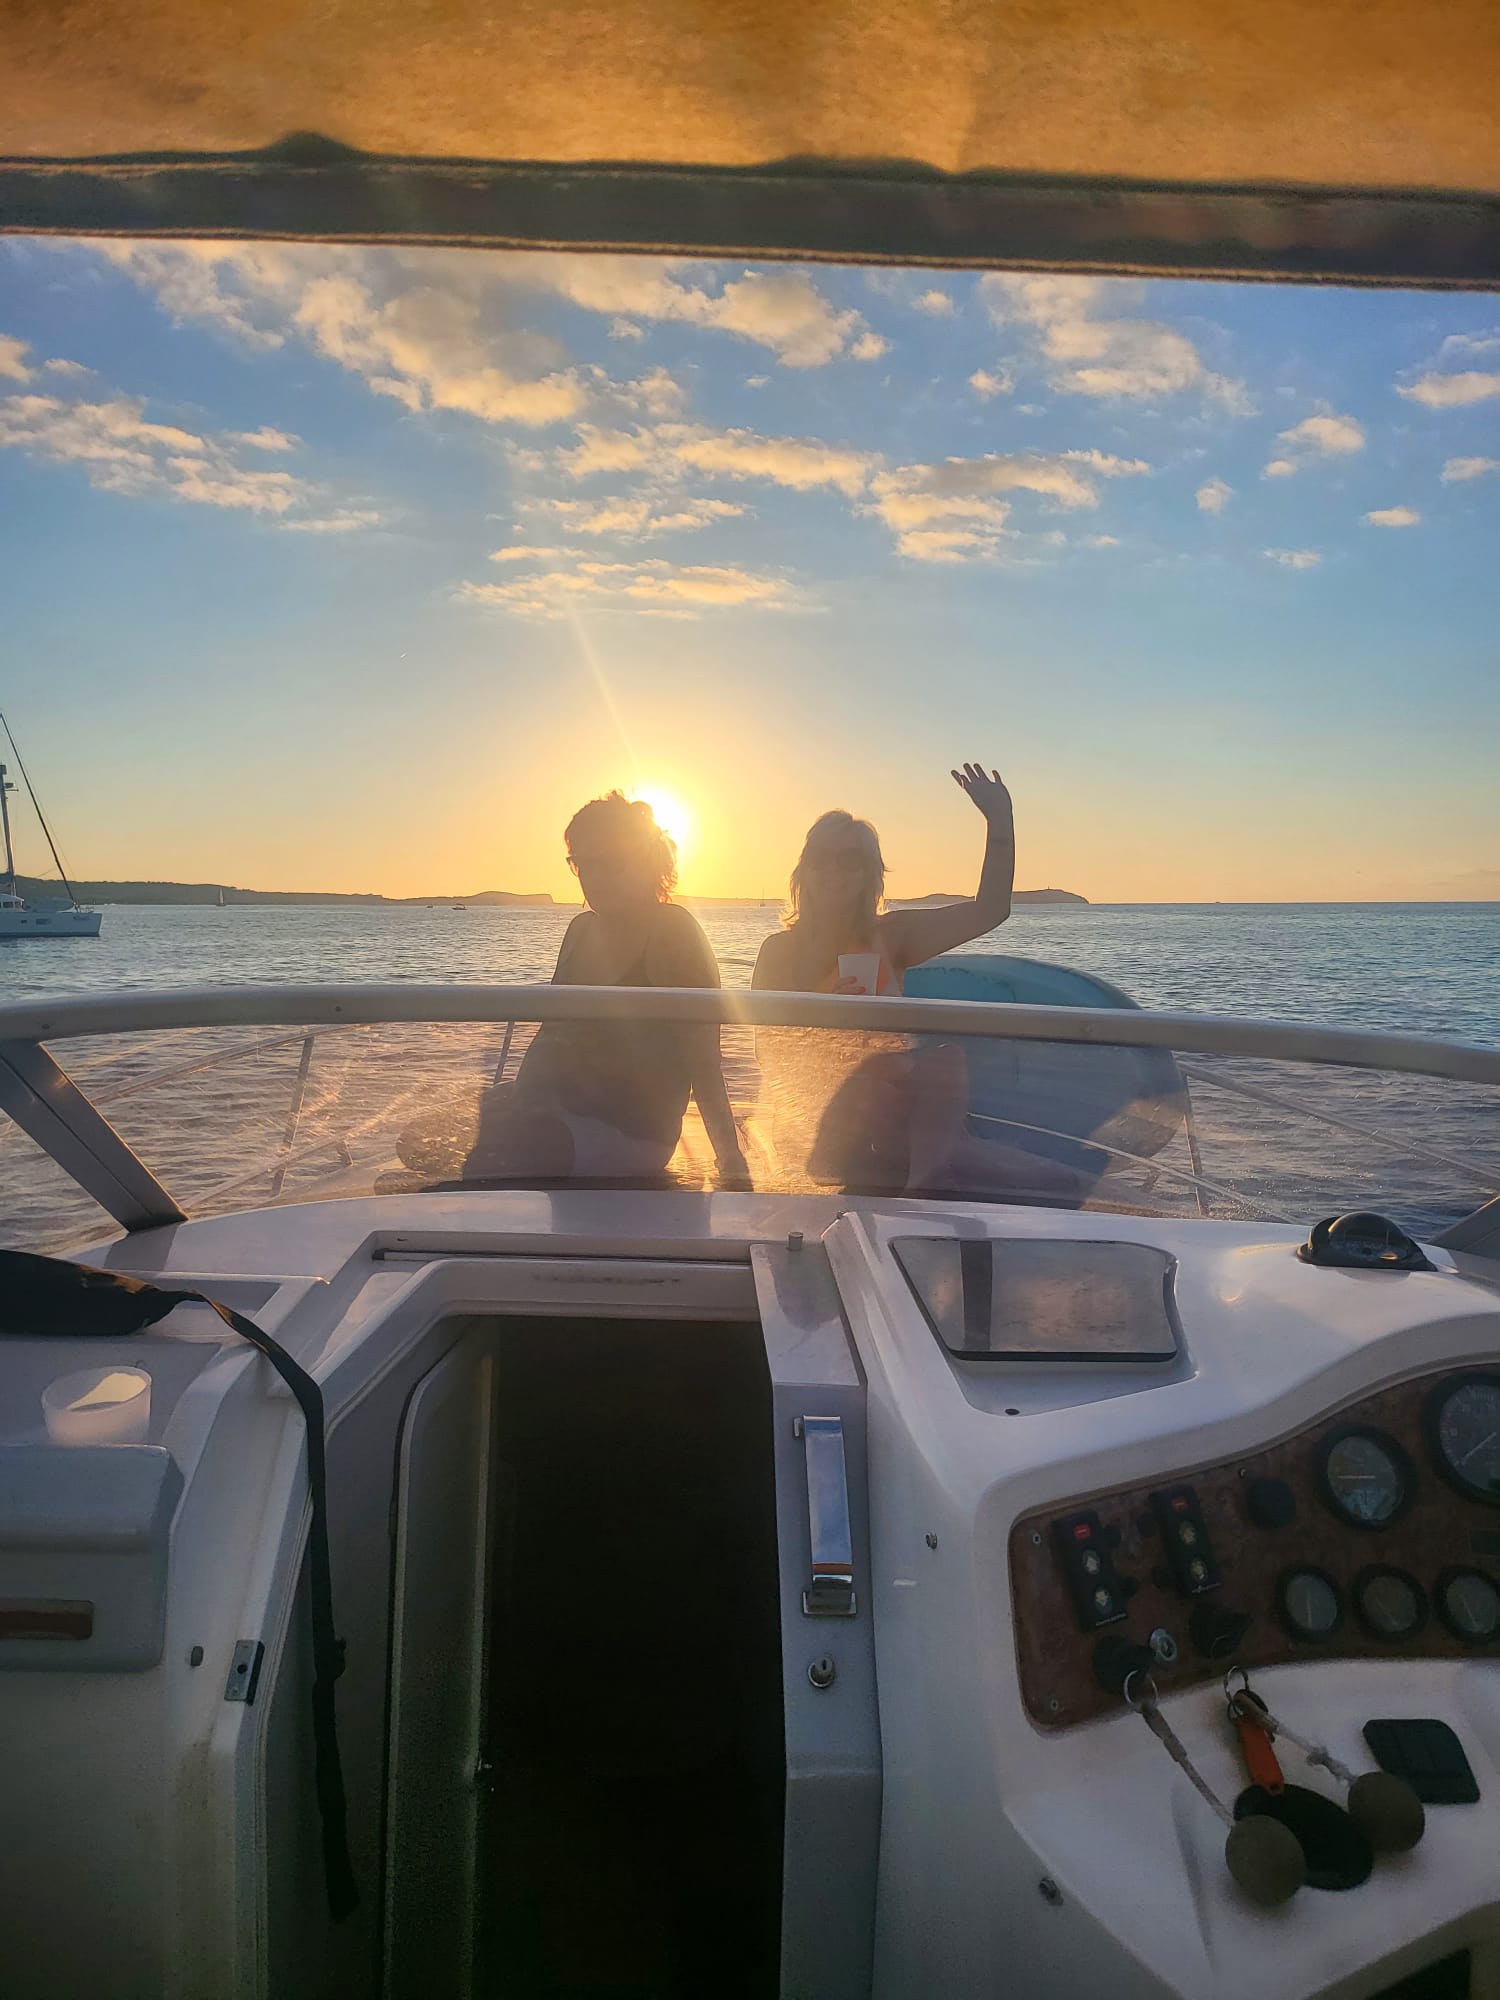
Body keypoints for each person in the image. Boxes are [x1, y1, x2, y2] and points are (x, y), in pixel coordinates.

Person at [752, 762, 1087, 1201]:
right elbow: (766, 1052)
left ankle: (927, 1179)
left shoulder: (893, 936)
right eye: (821, 858)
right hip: (823, 1120)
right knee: (882, 1070)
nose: (833, 870)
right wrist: (821, 1015)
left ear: (868, 874)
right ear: (803, 869)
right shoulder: (778, 952)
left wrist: (999, 820)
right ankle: (949, 1160)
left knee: (946, 1060)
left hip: (896, 1117)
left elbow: (990, 910)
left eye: (848, 860)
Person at [464, 792, 747, 1183]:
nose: (595, 877)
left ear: (646, 859)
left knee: (487, 1162)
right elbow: (552, 1029)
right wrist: (522, 1096)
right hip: (555, 1110)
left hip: (630, 1132)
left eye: (610, 862)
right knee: (421, 1141)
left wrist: (730, 1162)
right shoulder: (580, 930)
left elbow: (703, 1060)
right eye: (583, 864)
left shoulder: (671, 933)